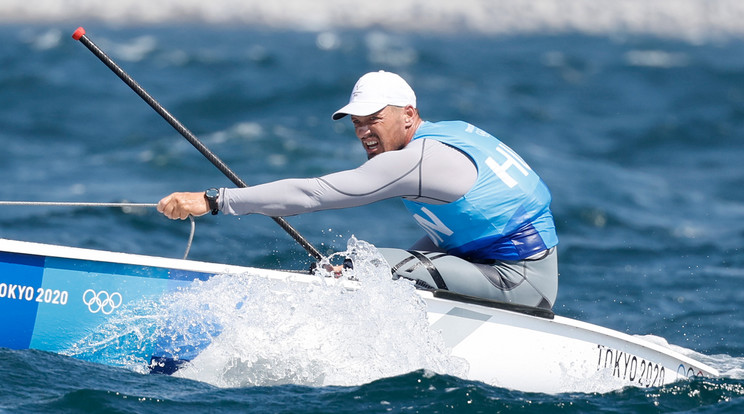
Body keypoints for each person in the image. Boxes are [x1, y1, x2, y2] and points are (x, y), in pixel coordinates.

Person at [158, 70, 559, 310]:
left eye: (374, 119)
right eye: (356, 122)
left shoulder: (419, 159)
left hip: (521, 283)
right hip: (499, 267)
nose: (364, 131)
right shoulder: (450, 134)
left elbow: (313, 195)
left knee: (359, 268)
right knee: (360, 266)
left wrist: (214, 200)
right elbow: (465, 230)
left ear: (408, 114)